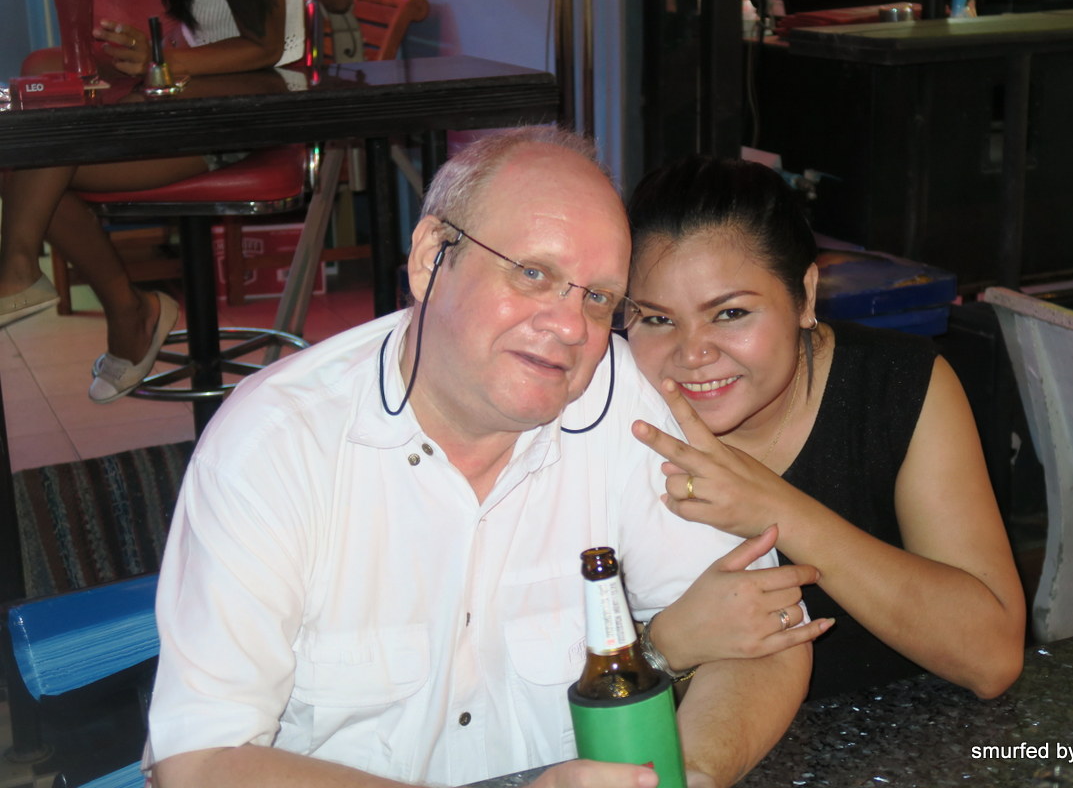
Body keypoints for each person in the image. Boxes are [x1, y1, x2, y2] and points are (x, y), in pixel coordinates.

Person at [146, 127, 825, 788]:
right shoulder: (277, 443)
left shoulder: (622, 400)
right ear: (430, 258)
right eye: (533, 274)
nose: (570, 327)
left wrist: (691, 774)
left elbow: (764, 637)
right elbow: (201, 760)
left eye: (597, 298)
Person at [625, 154, 1026, 701]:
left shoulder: (898, 386)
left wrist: (778, 509)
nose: (692, 354)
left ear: (805, 296)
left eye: (730, 313)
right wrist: (663, 646)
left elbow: (992, 657)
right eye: (656, 319)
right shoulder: (605, 414)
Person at [0, 0, 304, 403]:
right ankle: (121, 307)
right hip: (186, 89)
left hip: (242, 109)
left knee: (30, 164)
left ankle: (94, 299)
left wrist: (161, 59)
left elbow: (265, 46)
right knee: (41, 96)